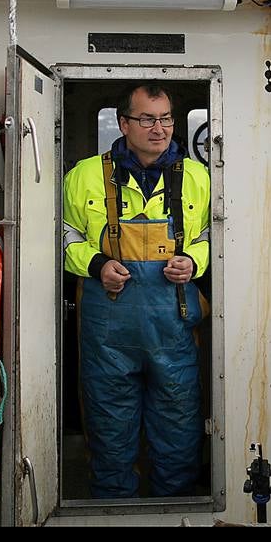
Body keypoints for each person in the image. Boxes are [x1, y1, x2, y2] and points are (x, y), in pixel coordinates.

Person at [62, 83, 211, 499]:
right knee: (109, 427)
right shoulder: (85, 176)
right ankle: (112, 511)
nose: (159, 129)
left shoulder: (198, 177)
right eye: (147, 118)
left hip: (174, 326)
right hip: (107, 329)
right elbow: (59, 235)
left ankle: (174, 510)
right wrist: (95, 265)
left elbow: (212, 238)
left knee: (179, 426)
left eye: (165, 119)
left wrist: (193, 262)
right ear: (124, 123)